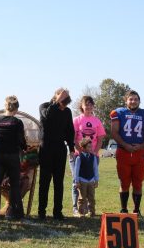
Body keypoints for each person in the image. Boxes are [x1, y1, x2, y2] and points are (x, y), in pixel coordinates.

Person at [110, 90, 144, 216]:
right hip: (123, 151)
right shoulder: (118, 113)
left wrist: (141, 145)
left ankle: (136, 210)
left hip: (139, 152)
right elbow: (114, 132)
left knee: (138, 182)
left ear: (139, 101)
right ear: (126, 101)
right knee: (124, 182)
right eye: (131, 99)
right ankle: (124, 209)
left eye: (135, 99)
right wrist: (125, 145)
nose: (133, 101)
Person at [38, 88, 75, 220]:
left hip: (60, 148)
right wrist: (57, 101)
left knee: (59, 182)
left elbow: (70, 130)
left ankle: (57, 212)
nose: (65, 100)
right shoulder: (45, 106)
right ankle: (41, 211)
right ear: (56, 96)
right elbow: (47, 116)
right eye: (63, 97)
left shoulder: (67, 111)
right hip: (46, 148)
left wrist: (71, 148)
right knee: (44, 181)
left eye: (66, 97)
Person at [70, 96, 105, 217]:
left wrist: (94, 153)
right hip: (78, 155)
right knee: (77, 181)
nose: (89, 107)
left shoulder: (97, 121)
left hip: (93, 156)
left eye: (91, 104)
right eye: (86, 104)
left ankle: (90, 209)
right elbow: (73, 138)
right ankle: (77, 208)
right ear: (82, 106)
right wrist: (81, 152)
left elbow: (100, 139)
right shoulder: (77, 120)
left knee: (90, 182)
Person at [72, 137, 99, 217]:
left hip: (91, 180)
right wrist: (76, 181)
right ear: (83, 148)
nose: (91, 148)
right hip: (82, 181)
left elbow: (95, 169)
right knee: (82, 198)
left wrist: (96, 180)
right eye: (89, 147)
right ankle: (82, 213)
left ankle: (92, 212)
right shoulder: (79, 158)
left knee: (91, 198)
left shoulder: (93, 157)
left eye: (91, 147)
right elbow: (76, 171)